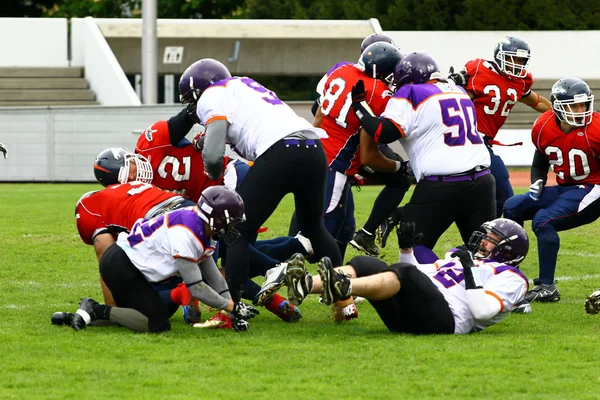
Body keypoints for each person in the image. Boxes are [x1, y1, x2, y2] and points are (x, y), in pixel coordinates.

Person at [178, 58, 342, 308]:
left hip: (281, 150)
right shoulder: (245, 85)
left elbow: (212, 156)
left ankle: (230, 307)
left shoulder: (212, 95)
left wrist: (211, 173)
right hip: (313, 147)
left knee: (237, 231)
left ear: (198, 91)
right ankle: (345, 298)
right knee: (313, 228)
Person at [135, 117, 312, 322]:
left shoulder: (158, 157)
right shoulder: (155, 170)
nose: (138, 165)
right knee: (229, 252)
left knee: (226, 252)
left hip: (228, 185)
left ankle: (275, 274)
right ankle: (292, 252)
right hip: (219, 194)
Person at [257, 218, 530, 334]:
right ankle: (307, 284)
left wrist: (470, 270)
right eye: (486, 236)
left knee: (405, 275)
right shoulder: (461, 256)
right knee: (367, 262)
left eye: (492, 240)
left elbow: (482, 312)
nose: (483, 242)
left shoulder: (512, 277)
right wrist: (406, 249)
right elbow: (418, 275)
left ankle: (344, 287)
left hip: (444, 321)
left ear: (507, 250)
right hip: (415, 311)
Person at [56, 186, 260, 333]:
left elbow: (213, 275)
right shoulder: (187, 233)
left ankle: (79, 316)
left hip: (128, 263)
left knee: (136, 315)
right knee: (156, 322)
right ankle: (95, 308)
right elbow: (197, 287)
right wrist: (231, 306)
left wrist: (233, 310)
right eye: (231, 222)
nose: (232, 227)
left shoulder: (202, 226)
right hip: (122, 264)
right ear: (216, 218)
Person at [352, 52, 496, 250]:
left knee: (412, 253)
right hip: (482, 181)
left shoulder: (411, 92)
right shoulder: (458, 91)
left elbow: (383, 132)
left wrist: (360, 106)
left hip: (442, 186)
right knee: (483, 252)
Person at [291, 42, 404, 260]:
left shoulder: (342, 71)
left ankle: (338, 282)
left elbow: (319, 116)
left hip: (316, 152)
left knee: (344, 226)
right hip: (336, 165)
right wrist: (399, 166)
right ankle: (280, 266)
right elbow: (368, 155)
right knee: (320, 233)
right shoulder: (377, 93)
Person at [503, 77, 600, 304]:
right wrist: (537, 180)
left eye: (583, 105)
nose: (580, 111)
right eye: (573, 106)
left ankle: (547, 286)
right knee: (512, 207)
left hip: (592, 188)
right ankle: (507, 275)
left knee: (543, 220)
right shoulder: (543, 126)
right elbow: (539, 162)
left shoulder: (596, 128)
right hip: (565, 187)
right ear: (558, 107)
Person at [448, 35, 552, 218]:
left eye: (522, 60)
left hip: (483, 141)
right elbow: (458, 101)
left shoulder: (520, 81)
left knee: (468, 195)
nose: (518, 64)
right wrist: (455, 86)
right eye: (514, 58)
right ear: (500, 55)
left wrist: (559, 113)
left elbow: (536, 101)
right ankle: (496, 237)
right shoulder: (479, 69)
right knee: (502, 189)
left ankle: (483, 238)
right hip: (470, 138)